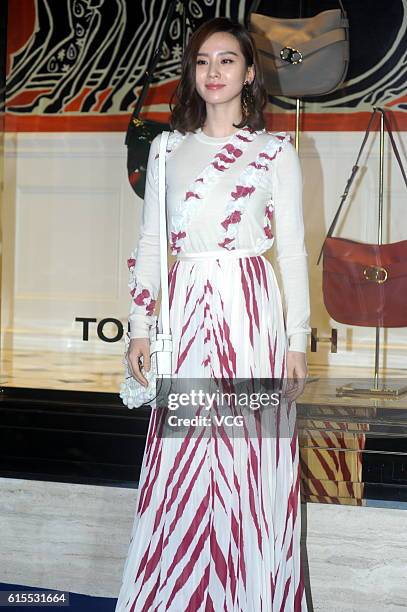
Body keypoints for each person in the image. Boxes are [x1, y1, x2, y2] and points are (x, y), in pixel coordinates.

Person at [115, 16, 311, 612]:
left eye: (226, 61)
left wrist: (297, 341)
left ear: (250, 73)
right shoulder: (166, 148)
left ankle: (249, 593)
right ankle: (180, 594)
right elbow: (152, 243)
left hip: (251, 312)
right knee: (186, 456)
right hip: (187, 308)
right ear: (191, 73)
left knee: (248, 454)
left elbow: (295, 250)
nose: (213, 73)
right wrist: (140, 327)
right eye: (202, 62)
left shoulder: (275, 151)